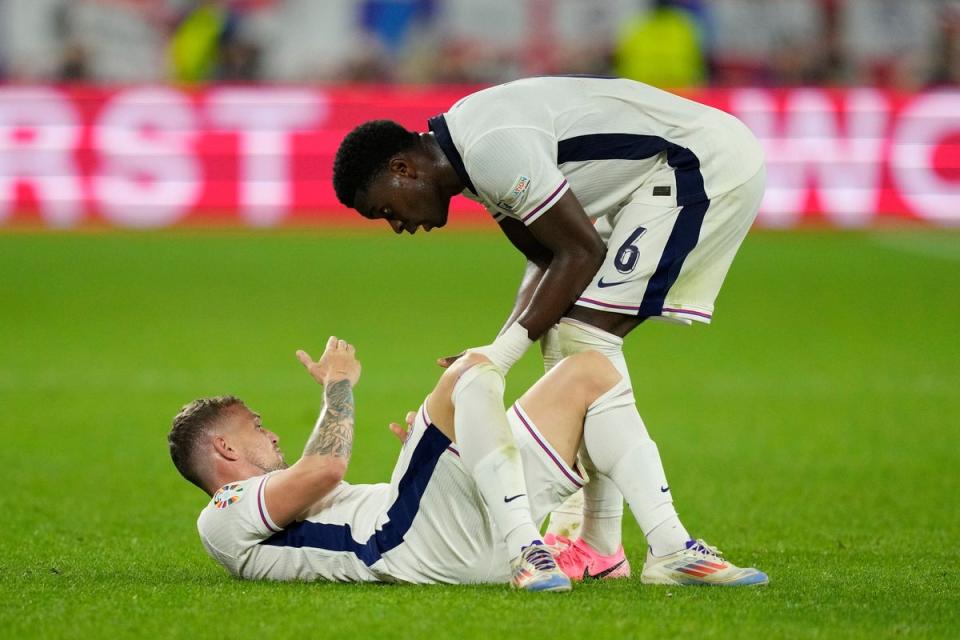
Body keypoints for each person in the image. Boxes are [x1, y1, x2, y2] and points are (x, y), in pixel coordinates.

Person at [331, 75, 766, 582]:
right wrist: (496, 348)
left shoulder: (489, 148)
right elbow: (546, 258)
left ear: (402, 168)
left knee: (584, 340)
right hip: (656, 176)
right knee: (567, 341)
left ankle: (663, 547)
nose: (397, 226)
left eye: (386, 210)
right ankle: (601, 547)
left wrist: (503, 356)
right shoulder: (469, 158)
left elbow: (581, 252)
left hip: (701, 163)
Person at [168, 336, 767, 587]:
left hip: (445, 528)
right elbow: (326, 469)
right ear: (223, 449)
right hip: (413, 544)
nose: (270, 432)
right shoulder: (222, 514)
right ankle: (529, 550)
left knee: (590, 372)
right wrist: (339, 387)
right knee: (466, 373)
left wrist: (436, 447)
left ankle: (665, 546)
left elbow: (333, 492)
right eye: (255, 426)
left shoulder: (271, 510)